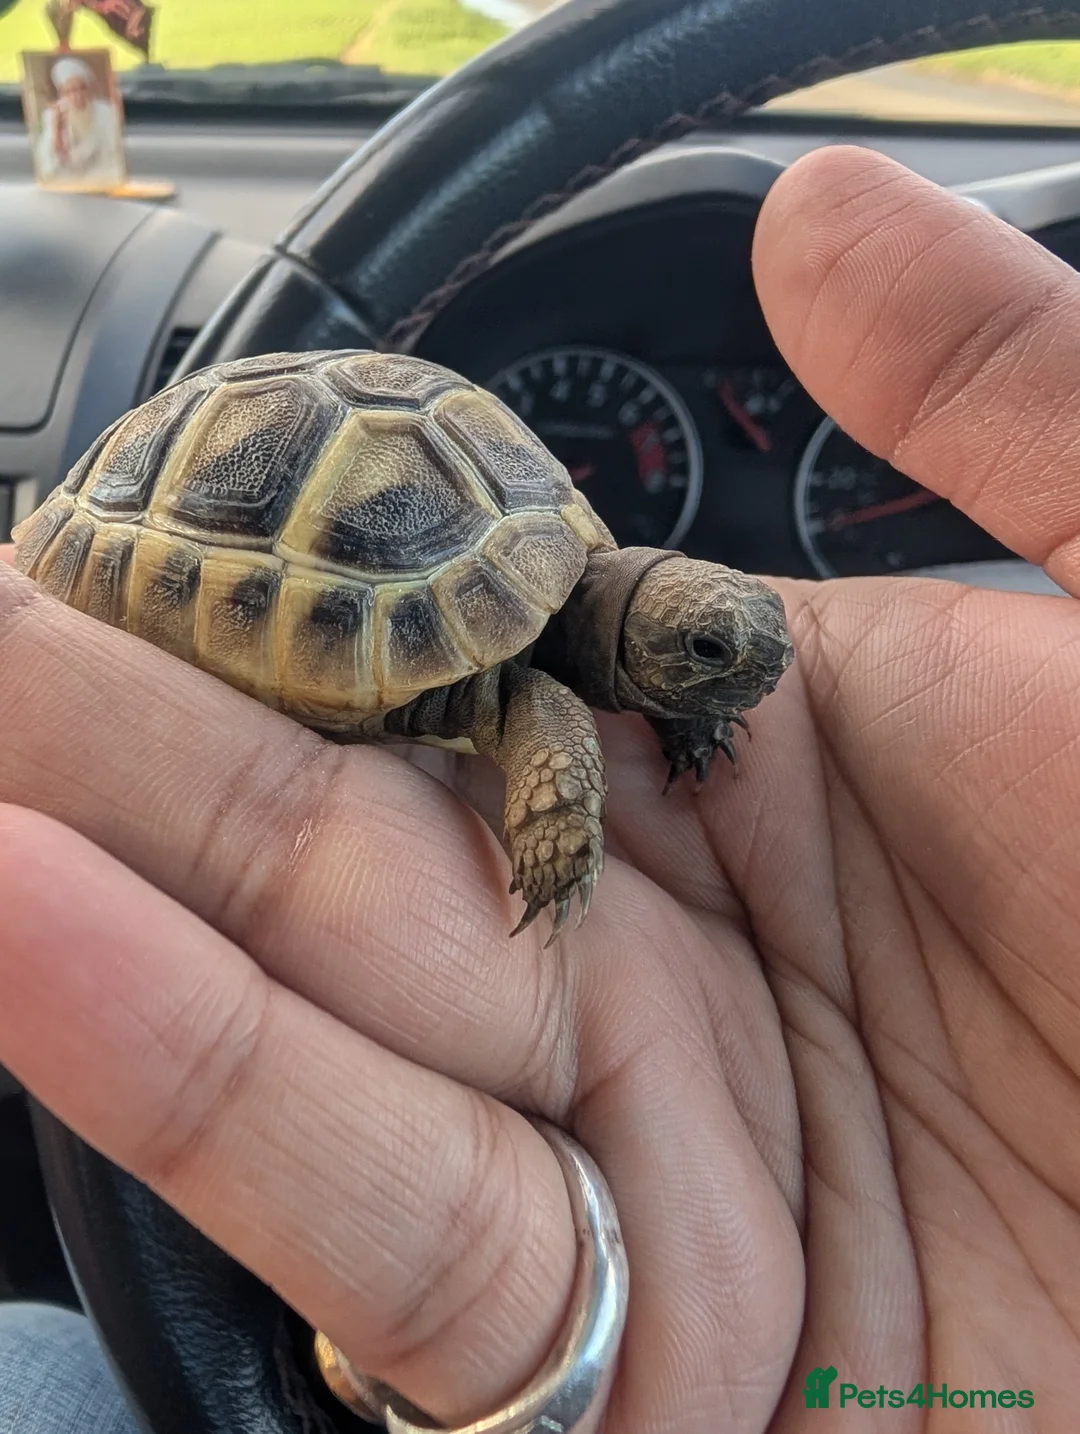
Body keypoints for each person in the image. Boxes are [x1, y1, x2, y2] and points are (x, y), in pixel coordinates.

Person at [1, 141, 1079, 1432]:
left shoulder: (564, 632)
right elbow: (545, 724)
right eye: (701, 657)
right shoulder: (548, 706)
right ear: (629, 626)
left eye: (723, 653)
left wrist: (691, 706)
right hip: (195, 503)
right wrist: (566, 824)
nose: (735, 674)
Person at [33, 55, 124, 189]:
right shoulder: (52, 115)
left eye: (82, 88)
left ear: (90, 88)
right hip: (68, 178)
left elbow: (114, 153)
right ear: (62, 93)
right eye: (71, 91)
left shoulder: (106, 111)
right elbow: (52, 160)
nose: (78, 95)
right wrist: (58, 128)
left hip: (100, 174)